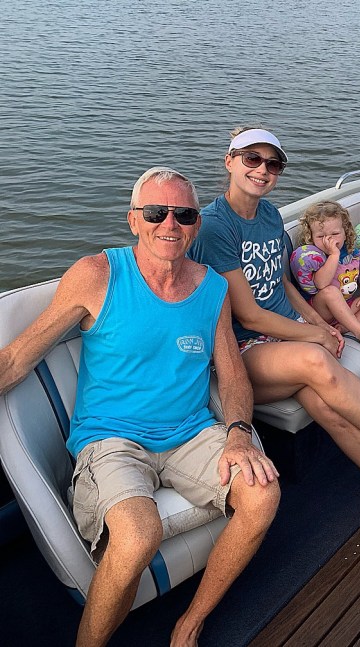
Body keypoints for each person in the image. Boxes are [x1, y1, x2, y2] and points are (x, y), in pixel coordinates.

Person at [0, 168, 280, 647]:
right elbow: (17, 358)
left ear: (196, 225)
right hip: (111, 439)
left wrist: (238, 433)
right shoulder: (97, 275)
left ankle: (190, 622)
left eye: (184, 214)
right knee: (136, 535)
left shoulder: (212, 287)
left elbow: (233, 374)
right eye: (155, 212)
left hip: (192, 432)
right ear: (134, 220)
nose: (169, 223)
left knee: (263, 495)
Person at [188, 127, 360, 561]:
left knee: (331, 410)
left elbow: (284, 285)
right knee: (317, 362)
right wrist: (314, 335)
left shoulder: (269, 217)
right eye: (251, 159)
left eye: (272, 163)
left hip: (286, 335)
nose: (262, 170)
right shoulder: (215, 228)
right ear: (230, 161)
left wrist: (317, 322)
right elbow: (249, 315)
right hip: (242, 350)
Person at [291, 200, 360, 345]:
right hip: (321, 311)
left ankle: (343, 327)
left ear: (345, 233)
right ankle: (359, 331)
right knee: (330, 291)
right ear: (310, 236)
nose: (329, 240)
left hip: (346, 307)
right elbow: (321, 284)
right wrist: (334, 255)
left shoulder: (350, 252)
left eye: (335, 233)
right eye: (321, 236)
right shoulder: (315, 257)